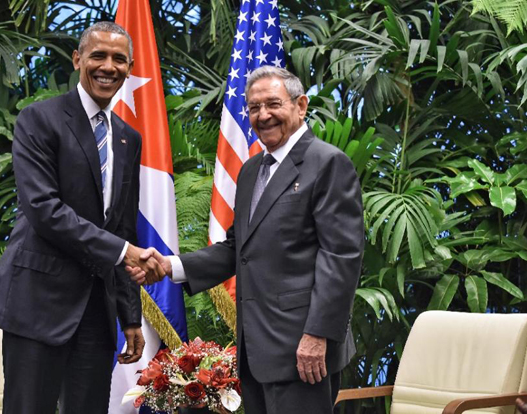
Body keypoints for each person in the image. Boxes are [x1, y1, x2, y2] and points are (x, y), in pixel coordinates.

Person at [128, 66, 364, 413]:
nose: (263, 115)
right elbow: (240, 248)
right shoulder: (252, 170)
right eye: (254, 108)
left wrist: (318, 336)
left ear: (301, 105)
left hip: (304, 349)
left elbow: (341, 258)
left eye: (273, 104)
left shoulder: (328, 163)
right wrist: (169, 266)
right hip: (256, 349)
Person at [0, 22, 164, 414]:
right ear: (78, 59)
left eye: (119, 59)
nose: (108, 66)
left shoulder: (127, 138)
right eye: (98, 55)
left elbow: (122, 228)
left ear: (130, 68)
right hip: (37, 304)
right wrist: (123, 251)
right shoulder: (39, 119)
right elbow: (44, 211)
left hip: (96, 313)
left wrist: (130, 315)